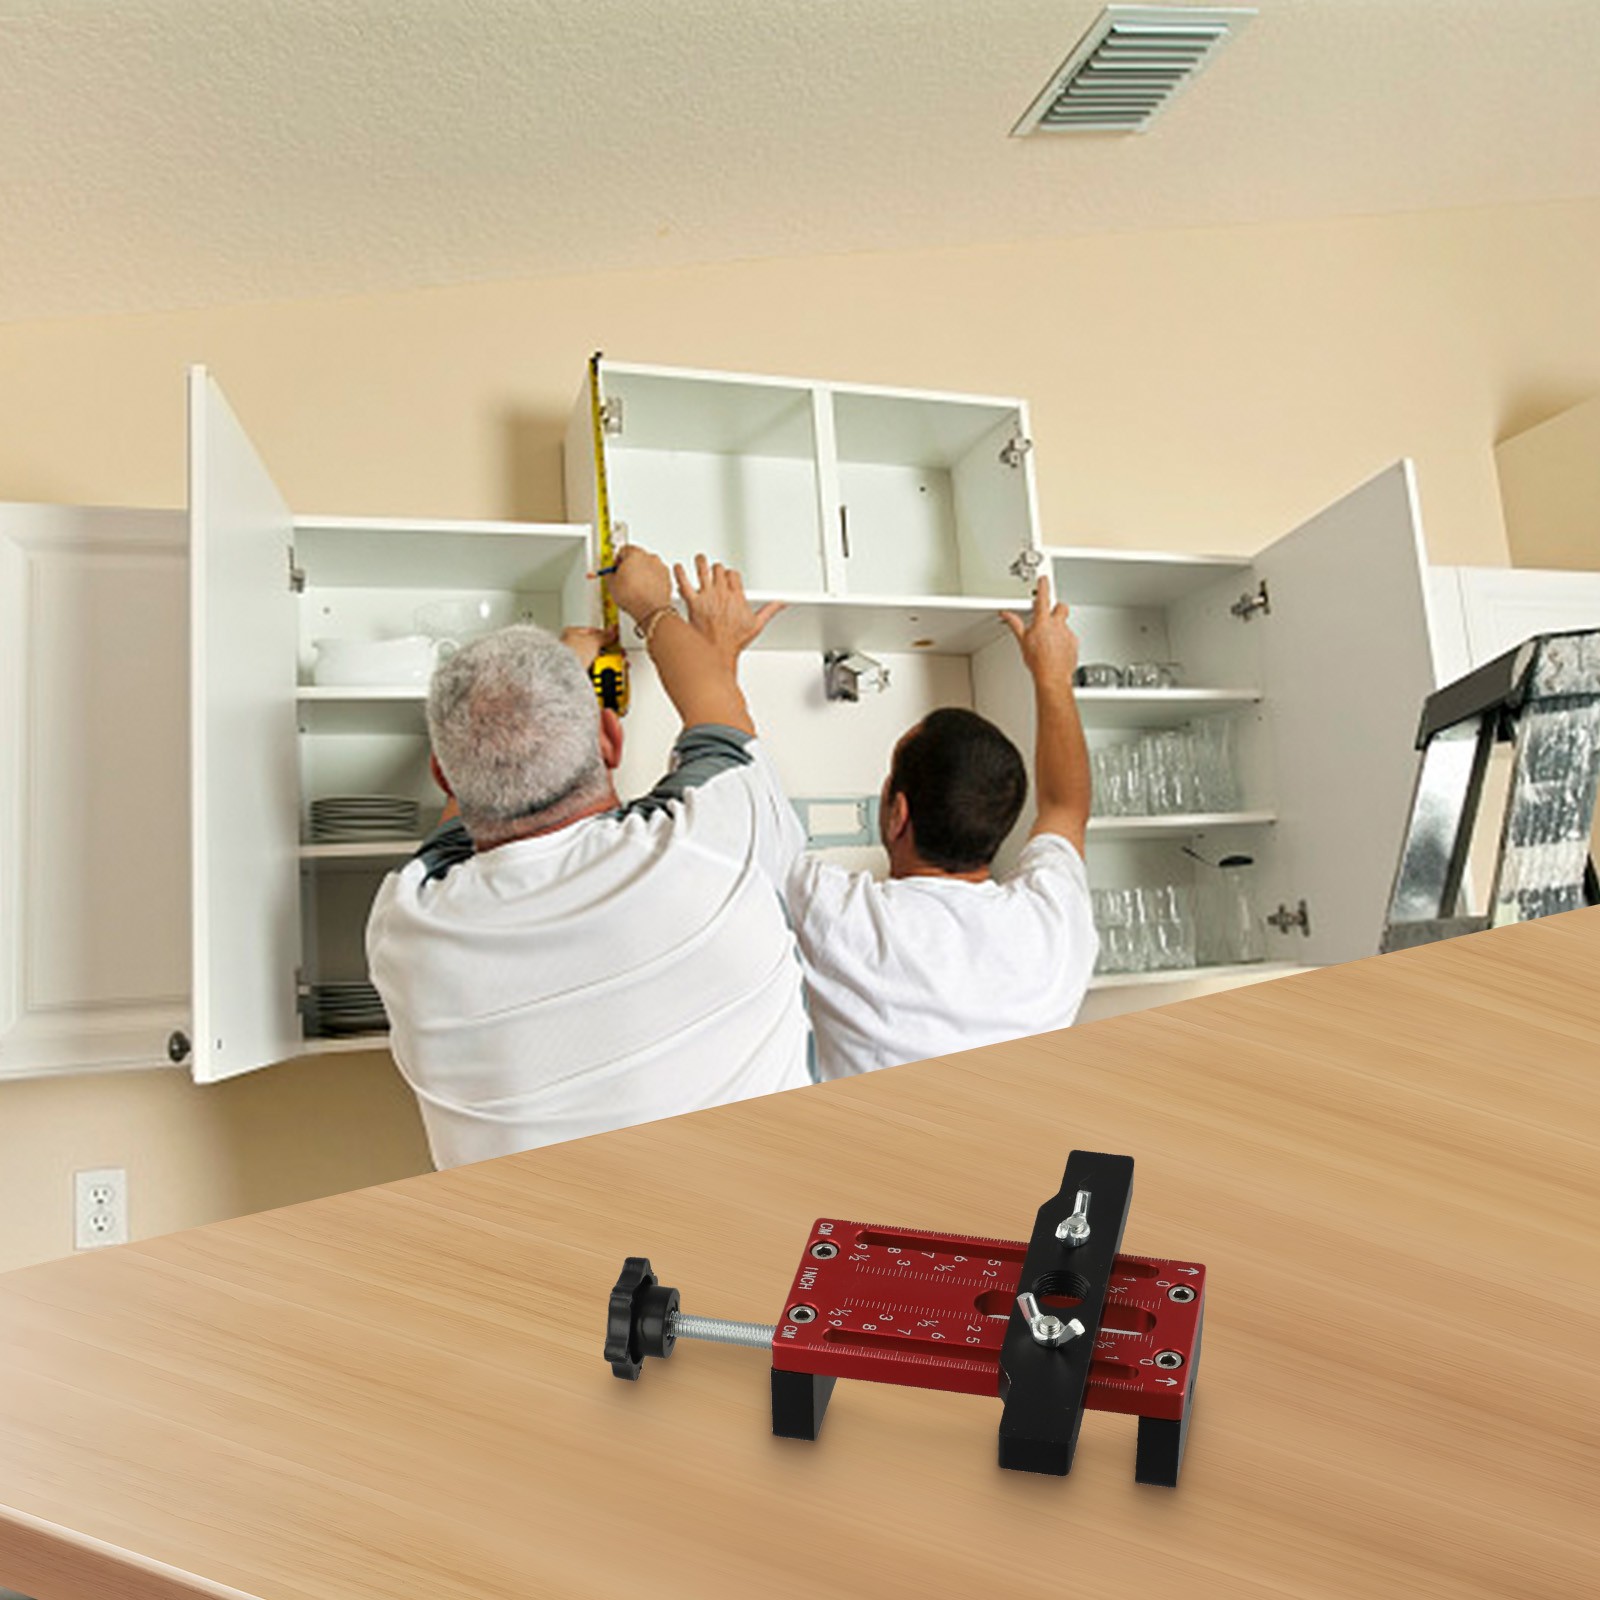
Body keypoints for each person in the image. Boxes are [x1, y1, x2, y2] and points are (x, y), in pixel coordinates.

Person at [366, 544, 807, 1168]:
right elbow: (716, 707)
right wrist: (651, 607)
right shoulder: (712, 841)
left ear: (442, 774)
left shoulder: (409, 923)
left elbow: (467, 809)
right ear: (611, 738)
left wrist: (561, 670)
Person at [782, 574, 1098, 1079]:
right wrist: (1053, 678)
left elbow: (742, 825)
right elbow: (1065, 805)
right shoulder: (1052, 926)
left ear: (898, 814)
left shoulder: (842, 917)